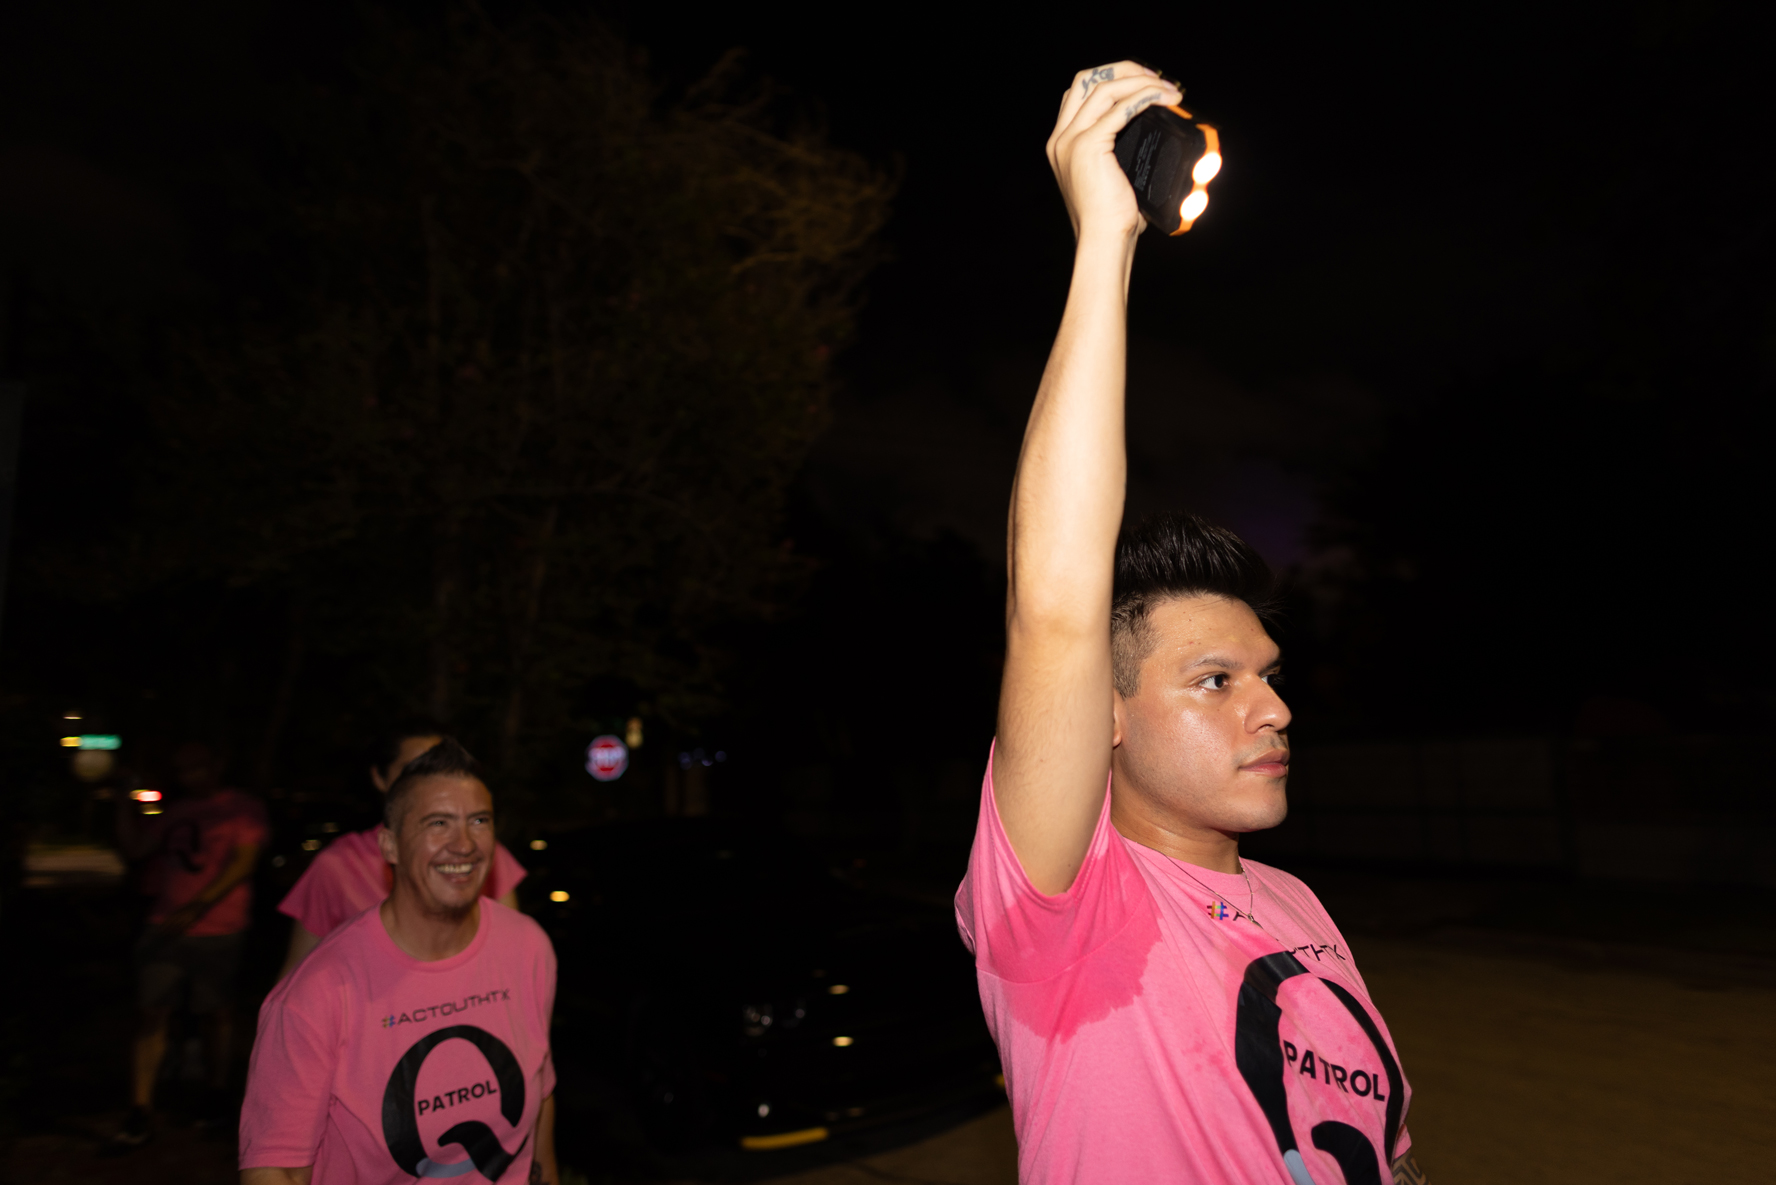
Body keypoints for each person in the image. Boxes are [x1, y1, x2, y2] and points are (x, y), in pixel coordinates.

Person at [953, 64, 1429, 1184]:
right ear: (1103, 717)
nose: (1274, 707)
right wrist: (1104, 241)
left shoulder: (1295, 904)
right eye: (1214, 680)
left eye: (1265, 674)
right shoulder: (1065, 908)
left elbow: (1386, 1153)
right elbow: (1057, 605)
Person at [241, 738, 559, 1185]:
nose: (464, 844)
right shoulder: (314, 994)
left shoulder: (528, 946)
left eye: (479, 821)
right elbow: (276, 1170)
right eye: (438, 823)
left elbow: (540, 1101)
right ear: (388, 846)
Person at [109, 741, 268, 1150]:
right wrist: (122, 804)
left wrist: (198, 906)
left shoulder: (242, 809)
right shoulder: (177, 812)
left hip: (219, 930)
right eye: (181, 769)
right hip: (165, 927)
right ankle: (140, 1107)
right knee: (150, 1014)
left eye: (195, 766)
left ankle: (216, 1092)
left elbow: (242, 864)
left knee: (216, 1012)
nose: (188, 776)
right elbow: (137, 849)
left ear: (216, 764)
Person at [275, 724, 527, 979]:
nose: (431, 781)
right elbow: (298, 973)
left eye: (440, 768)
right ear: (379, 778)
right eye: (412, 770)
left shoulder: (479, 851)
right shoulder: (338, 865)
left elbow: (513, 952)